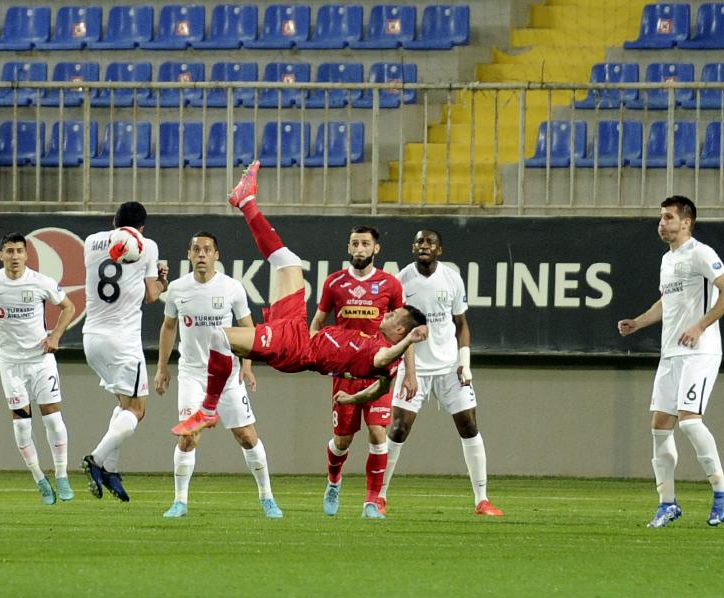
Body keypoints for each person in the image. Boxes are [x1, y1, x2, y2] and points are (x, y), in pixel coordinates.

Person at [171, 161, 429, 469]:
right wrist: (353, 400)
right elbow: (382, 387)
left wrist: (409, 342)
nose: (387, 315)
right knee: (288, 262)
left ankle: (209, 409)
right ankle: (246, 200)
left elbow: (387, 362)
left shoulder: (383, 354)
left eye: (394, 316)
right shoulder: (378, 350)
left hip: (296, 349)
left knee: (218, 335)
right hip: (299, 331)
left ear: (400, 332)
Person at [618, 196, 724, 528]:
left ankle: (722, 489)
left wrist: (700, 325)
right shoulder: (667, 260)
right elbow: (666, 302)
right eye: (661, 217)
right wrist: (639, 322)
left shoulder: (701, 253)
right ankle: (667, 503)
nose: (662, 223)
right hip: (671, 354)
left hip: (700, 352)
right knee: (660, 427)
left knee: (689, 421)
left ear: (686, 222)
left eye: (669, 217)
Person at [376, 229, 504, 517]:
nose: (424, 246)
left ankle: (482, 500)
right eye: (420, 241)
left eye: (430, 242)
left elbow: (461, 324)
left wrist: (464, 362)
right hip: (415, 369)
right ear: (413, 247)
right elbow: (398, 331)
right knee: (397, 429)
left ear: (439, 250)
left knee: (469, 425)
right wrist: (408, 370)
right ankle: (378, 496)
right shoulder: (401, 281)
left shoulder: (452, 278)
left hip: (449, 367)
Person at [155, 232, 283, 519]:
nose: (202, 254)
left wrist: (247, 366)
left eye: (207, 249)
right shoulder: (176, 289)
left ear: (217, 255)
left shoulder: (232, 288)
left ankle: (267, 498)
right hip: (192, 376)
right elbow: (168, 328)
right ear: (188, 255)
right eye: (196, 249)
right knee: (188, 437)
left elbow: (248, 329)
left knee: (247, 437)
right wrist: (162, 367)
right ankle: (179, 502)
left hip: (227, 376)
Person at [0, 233, 76, 505]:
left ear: (27, 255)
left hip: (40, 359)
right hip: (11, 363)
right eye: (9, 251)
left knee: (52, 417)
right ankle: (39, 478)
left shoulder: (41, 282)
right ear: (0, 255)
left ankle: (61, 475)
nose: (14, 256)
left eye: (19, 251)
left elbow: (68, 307)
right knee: (22, 424)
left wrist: (56, 336)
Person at [309, 225, 410, 519]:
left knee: (379, 434)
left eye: (366, 243)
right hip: (345, 372)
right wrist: (317, 355)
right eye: (355, 243)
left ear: (376, 249)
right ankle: (333, 481)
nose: (360, 248)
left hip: (379, 369)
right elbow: (316, 324)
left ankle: (371, 501)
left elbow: (405, 332)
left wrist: (411, 372)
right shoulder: (334, 283)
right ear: (349, 248)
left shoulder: (390, 284)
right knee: (342, 441)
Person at [81, 202, 168, 502]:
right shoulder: (148, 245)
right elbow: (152, 295)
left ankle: (111, 470)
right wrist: (161, 279)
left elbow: (115, 257)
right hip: (122, 341)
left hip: (91, 338)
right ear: (142, 226)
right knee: (137, 410)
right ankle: (96, 459)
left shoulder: (92, 242)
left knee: (124, 404)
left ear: (113, 221)